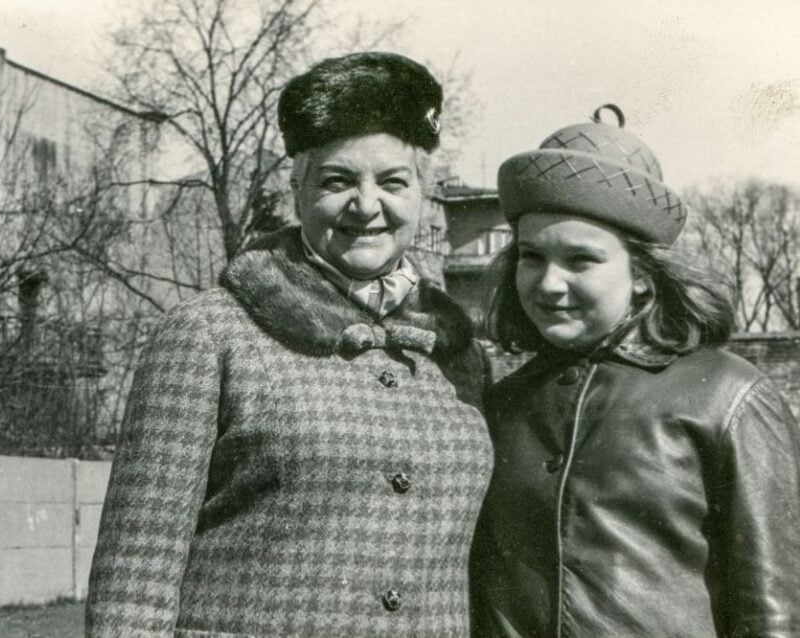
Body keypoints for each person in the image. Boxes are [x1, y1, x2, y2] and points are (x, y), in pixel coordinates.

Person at [86, 52, 493, 637]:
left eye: (393, 181)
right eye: (337, 180)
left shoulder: (457, 353)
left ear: (424, 194)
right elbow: (135, 576)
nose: (367, 205)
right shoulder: (209, 336)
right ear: (296, 189)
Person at [469, 104, 800, 637]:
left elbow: (775, 612)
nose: (549, 283)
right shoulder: (502, 404)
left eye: (581, 260)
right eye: (532, 257)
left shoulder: (727, 396)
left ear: (644, 275)